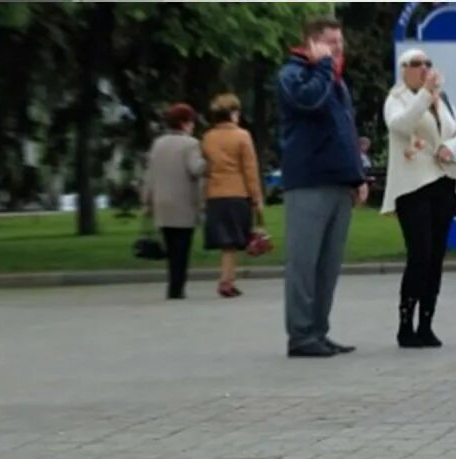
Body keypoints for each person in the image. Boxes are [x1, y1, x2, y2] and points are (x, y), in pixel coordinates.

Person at [277, 16, 367, 358]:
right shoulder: (294, 75)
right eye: (331, 43)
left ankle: (319, 330)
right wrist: (323, 67)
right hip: (309, 182)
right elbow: (307, 102)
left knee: (327, 266)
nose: (338, 50)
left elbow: (346, 133)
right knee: (304, 263)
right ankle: (300, 334)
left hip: (338, 182)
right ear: (312, 43)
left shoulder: (335, 81)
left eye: (340, 44)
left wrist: (357, 175)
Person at [382, 47, 456, 348]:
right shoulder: (398, 99)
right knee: (418, 255)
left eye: (428, 64)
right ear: (404, 69)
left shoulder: (441, 100)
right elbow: (401, 125)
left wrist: (451, 148)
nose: (424, 69)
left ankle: (427, 323)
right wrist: (424, 96)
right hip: (413, 186)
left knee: (435, 258)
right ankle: (405, 324)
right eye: (417, 64)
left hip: (443, 183)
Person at [201, 93, 264, 299]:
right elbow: (250, 170)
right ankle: (226, 281)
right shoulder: (242, 136)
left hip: (215, 193)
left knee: (227, 242)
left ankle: (228, 278)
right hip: (237, 192)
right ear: (233, 113)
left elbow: (205, 167)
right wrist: (256, 198)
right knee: (233, 241)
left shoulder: (208, 137)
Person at [142, 103, 206, 301]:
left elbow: (150, 175)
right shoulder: (191, 144)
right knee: (182, 248)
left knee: (170, 247)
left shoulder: (158, 144)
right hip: (183, 204)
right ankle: (177, 287)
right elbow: (196, 169)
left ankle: (172, 284)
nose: (193, 126)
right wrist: (210, 161)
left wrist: (147, 200)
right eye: (191, 122)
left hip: (162, 203)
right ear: (184, 123)